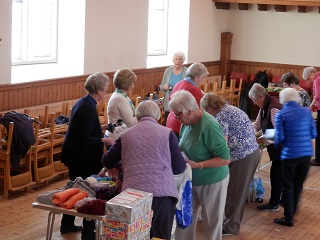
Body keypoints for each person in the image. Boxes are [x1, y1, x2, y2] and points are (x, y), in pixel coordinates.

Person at [101, 100, 186, 240]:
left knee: (135, 236)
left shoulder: (126, 135)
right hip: (161, 195)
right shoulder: (167, 133)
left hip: (132, 197)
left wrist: (121, 164)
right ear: (157, 116)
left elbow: (106, 160)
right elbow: (179, 168)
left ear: (137, 115)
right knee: (160, 237)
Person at [170, 90, 230, 240]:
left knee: (211, 223)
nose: (176, 118)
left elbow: (224, 158)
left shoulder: (209, 125)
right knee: (185, 221)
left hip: (212, 180)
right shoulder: (187, 123)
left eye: (178, 114)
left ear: (189, 111)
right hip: (190, 180)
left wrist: (198, 165)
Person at [60, 72, 114, 240]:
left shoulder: (83, 102)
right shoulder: (88, 107)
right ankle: (88, 232)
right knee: (88, 191)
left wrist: (103, 126)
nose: (106, 92)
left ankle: (67, 225)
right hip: (82, 157)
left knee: (74, 189)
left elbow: (83, 129)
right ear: (99, 90)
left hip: (75, 154)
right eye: (105, 89)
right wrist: (104, 139)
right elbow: (84, 138)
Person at [200, 92, 260, 236]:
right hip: (250, 153)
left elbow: (223, 143)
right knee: (236, 191)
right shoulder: (231, 109)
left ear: (210, 107)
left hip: (243, 156)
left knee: (235, 193)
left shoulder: (221, 115)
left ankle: (231, 227)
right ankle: (229, 223)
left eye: (204, 109)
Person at [273, 88, 317, 227]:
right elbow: (313, 134)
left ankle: (288, 218)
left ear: (282, 99)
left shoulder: (281, 114)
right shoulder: (306, 112)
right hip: (306, 154)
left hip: (290, 154)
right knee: (298, 185)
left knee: (288, 186)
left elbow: (279, 138)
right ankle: (293, 210)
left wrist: (275, 143)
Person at [249, 83, 283, 212]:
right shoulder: (265, 105)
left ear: (261, 96)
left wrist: (264, 139)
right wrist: (249, 130)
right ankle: (280, 201)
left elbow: (280, 132)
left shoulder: (273, 108)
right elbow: (257, 124)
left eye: (254, 99)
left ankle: (274, 204)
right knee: (278, 174)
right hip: (275, 147)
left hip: (282, 148)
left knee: (277, 175)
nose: (253, 103)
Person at [166, 62, 207, 138]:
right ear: (196, 77)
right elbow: (201, 111)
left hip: (171, 122)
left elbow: (170, 101)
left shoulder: (179, 83)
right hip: (180, 126)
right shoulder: (194, 90)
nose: (203, 80)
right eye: (203, 78)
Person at [106, 68, 138, 141]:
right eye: (132, 83)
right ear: (127, 83)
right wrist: (144, 115)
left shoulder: (119, 95)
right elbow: (131, 123)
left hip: (116, 134)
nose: (133, 86)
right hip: (116, 138)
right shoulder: (120, 98)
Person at [159, 51, 188, 125]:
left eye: (180, 59)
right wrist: (164, 87)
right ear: (173, 60)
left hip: (181, 101)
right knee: (168, 122)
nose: (178, 61)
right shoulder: (168, 70)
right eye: (176, 59)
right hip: (169, 101)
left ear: (183, 61)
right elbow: (161, 86)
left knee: (178, 123)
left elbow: (188, 87)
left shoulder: (187, 71)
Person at [306, 67, 320, 166]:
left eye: (308, 78)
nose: (309, 81)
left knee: (318, 135)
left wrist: (312, 104)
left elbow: (318, 95)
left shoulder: (317, 79)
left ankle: (318, 160)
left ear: (311, 73)